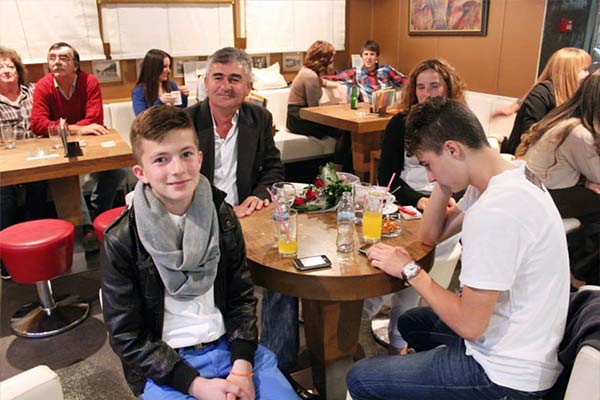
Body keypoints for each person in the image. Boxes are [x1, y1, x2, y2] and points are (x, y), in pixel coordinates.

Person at [347, 97, 570, 399]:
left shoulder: (497, 210)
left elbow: (470, 325)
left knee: (360, 378)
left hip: (505, 375)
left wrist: (410, 270)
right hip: (523, 338)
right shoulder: (505, 175)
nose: (428, 176)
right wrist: (444, 182)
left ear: (452, 149)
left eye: (428, 165)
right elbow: (430, 236)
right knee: (411, 322)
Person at [101, 105, 297, 400]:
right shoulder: (122, 239)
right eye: (161, 159)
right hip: (168, 365)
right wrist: (195, 384)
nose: (177, 169)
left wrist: (242, 367)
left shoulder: (222, 216)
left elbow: (241, 299)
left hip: (231, 347)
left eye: (186, 154)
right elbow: (127, 336)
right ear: (141, 173)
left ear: (200, 158)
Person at [30, 42, 126, 251]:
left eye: (63, 58)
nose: (57, 62)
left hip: (91, 142)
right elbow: (37, 124)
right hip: (59, 146)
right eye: (52, 58)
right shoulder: (44, 86)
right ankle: (86, 226)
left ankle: (99, 210)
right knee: (67, 175)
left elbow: (95, 118)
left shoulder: (89, 81)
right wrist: (78, 129)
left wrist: (64, 127)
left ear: (75, 65)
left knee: (119, 171)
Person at [517, 71, 600, 285]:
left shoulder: (565, 122)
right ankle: (581, 278)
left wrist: (585, 181)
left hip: (535, 193)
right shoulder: (579, 133)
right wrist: (587, 181)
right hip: (544, 197)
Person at [187, 47, 284, 219]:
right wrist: (220, 212)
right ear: (206, 83)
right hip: (199, 216)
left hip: (247, 215)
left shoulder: (260, 118)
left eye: (234, 79)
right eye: (218, 78)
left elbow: (273, 168)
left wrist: (259, 195)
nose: (225, 86)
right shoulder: (185, 122)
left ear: (248, 87)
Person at [378, 57, 467, 211]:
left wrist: (451, 200)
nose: (427, 94)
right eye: (420, 87)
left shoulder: (462, 123)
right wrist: (418, 200)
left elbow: (470, 174)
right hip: (409, 200)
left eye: (434, 86)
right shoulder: (399, 123)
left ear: (448, 88)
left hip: (452, 202)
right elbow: (387, 177)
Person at [0, 46, 48, 280]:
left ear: (18, 70)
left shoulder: (34, 91)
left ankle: (34, 249)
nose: (6, 70)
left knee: (39, 188)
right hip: (5, 162)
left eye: (10, 66)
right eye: (0, 67)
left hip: (37, 158)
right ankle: (6, 257)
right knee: (4, 197)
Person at [500, 47, 591, 155]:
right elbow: (527, 136)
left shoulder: (577, 98)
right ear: (569, 72)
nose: (588, 74)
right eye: (584, 70)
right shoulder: (542, 93)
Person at [287, 40, 352, 172]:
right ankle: (337, 169)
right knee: (345, 130)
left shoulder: (307, 71)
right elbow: (314, 109)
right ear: (323, 59)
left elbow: (321, 82)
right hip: (300, 118)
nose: (332, 60)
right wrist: (335, 104)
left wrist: (336, 85)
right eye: (331, 57)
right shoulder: (310, 76)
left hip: (296, 116)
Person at [322, 40, 407, 103]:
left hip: (387, 108)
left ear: (377, 57)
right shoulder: (356, 72)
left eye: (372, 54)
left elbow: (405, 81)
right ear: (361, 56)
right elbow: (334, 78)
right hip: (366, 109)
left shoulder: (386, 69)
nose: (368, 58)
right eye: (366, 54)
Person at [132, 49, 189, 116]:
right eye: (165, 67)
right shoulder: (139, 91)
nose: (169, 71)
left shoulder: (172, 85)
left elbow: (180, 112)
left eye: (169, 66)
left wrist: (183, 96)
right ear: (154, 68)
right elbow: (141, 117)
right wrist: (160, 102)